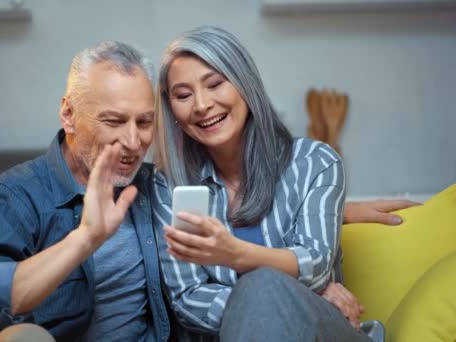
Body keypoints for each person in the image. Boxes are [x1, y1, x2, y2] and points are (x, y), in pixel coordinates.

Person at [151, 26, 398, 341]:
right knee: (262, 288)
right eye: (183, 95)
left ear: (246, 85)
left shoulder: (314, 162)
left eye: (215, 84)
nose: (201, 105)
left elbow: (317, 262)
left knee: (264, 286)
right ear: (171, 109)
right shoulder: (167, 186)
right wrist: (286, 296)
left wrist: (237, 255)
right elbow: (188, 298)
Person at [0, 41, 171, 342]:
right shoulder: (16, 195)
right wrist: (84, 239)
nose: (134, 142)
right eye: (114, 121)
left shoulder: (156, 189)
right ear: (68, 114)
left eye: (144, 122)